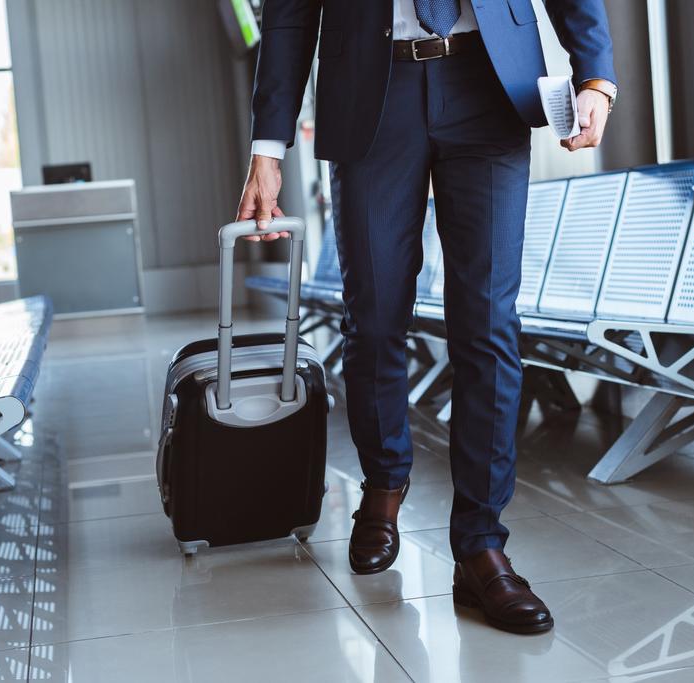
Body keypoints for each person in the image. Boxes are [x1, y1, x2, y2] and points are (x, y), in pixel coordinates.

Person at [236, 0, 616, 634]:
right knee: (376, 316)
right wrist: (268, 148)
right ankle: (384, 483)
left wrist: (596, 76)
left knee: (488, 325)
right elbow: (289, 17)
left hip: (490, 85)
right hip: (371, 93)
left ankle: (480, 546)